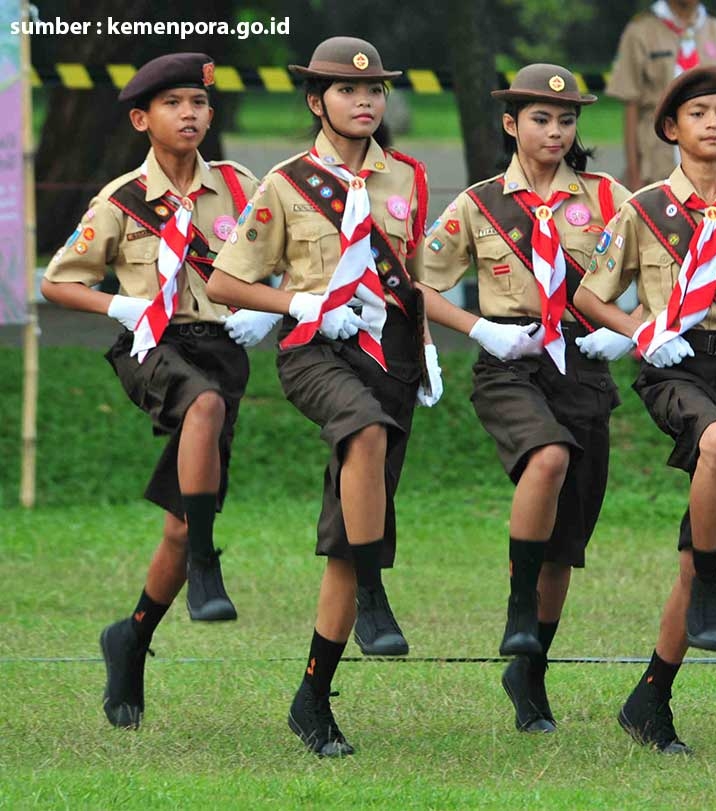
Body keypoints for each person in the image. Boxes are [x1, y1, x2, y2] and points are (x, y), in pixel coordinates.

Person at [208, 37, 441, 757]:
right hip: (317, 351)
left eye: (373, 91)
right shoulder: (284, 184)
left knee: (345, 534)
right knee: (363, 433)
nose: (364, 101)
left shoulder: (407, 177)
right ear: (317, 102)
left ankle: (313, 697)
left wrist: (428, 348)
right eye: (346, 91)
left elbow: (417, 273)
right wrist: (301, 302)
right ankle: (376, 587)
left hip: (391, 356)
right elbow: (224, 283)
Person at [40, 52, 270, 729]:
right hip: (151, 343)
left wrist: (272, 306)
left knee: (175, 522)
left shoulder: (240, 186)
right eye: (174, 104)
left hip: (224, 349)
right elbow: (58, 280)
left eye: (199, 102)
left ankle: (132, 637)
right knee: (199, 404)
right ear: (143, 118)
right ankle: (207, 564)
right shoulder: (119, 200)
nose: (190, 113)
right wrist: (120, 308)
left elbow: (285, 252)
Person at [575, 67, 716, 754]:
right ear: (671, 128)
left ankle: (652, 695)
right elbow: (589, 297)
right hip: (673, 362)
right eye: (697, 112)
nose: (713, 123)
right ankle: (709, 583)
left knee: (715, 523)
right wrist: (643, 332)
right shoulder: (643, 210)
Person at [416, 64, 632, 734]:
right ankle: (516, 605)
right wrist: (475, 327)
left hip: (584, 360)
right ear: (511, 124)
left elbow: (660, 264)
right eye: (541, 118)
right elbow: (416, 282)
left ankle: (529, 670)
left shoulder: (605, 197)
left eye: (566, 120)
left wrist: (628, 333)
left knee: (567, 544)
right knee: (547, 456)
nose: (555, 131)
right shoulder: (479, 204)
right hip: (509, 361)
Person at [607, 0, 716, 190]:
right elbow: (631, 106)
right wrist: (634, 175)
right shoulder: (640, 31)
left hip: (715, 165)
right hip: (658, 161)